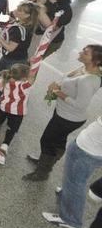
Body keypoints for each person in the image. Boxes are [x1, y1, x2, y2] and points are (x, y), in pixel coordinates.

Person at [25, 44, 102, 181]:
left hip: (69, 118)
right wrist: (58, 86)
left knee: (47, 140)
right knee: (57, 140)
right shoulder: (85, 69)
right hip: (64, 113)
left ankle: (43, 172)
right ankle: (46, 161)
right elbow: (68, 79)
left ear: (95, 61)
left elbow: (80, 105)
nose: (80, 52)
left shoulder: (88, 80)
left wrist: (57, 92)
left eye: (85, 52)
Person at [42, 116, 102, 228]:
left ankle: (69, 219)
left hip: (88, 151)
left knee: (76, 183)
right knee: (72, 179)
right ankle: (67, 195)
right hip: (89, 147)